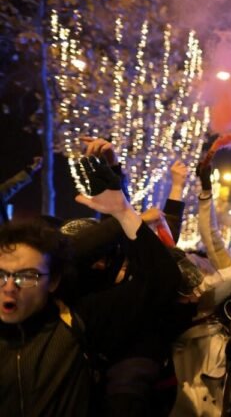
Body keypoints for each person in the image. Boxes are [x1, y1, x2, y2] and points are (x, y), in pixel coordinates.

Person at [0, 156, 181, 416]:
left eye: (26, 276)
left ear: (53, 282)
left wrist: (124, 214)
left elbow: (161, 281)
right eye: (1, 274)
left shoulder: (74, 322)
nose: (9, 287)